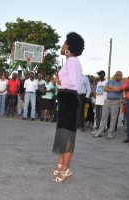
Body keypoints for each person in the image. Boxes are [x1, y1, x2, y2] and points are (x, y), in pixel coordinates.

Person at [52, 32, 84, 182]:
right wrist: (59, 81)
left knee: (68, 135)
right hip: (66, 99)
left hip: (69, 99)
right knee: (63, 134)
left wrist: (58, 82)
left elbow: (73, 82)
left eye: (64, 44)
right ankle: (60, 165)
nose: (62, 46)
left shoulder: (72, 61)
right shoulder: (71, 61)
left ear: (69, 48)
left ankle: (66, 169)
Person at [94, 71, 123, 139]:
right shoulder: (110, 81)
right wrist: (114, 89)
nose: (116, 76)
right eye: (116, 75)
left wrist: (111, 88)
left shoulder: (122, 83)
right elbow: (105, 88)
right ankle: (100, 132)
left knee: (113, 118)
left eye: (118, 75)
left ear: (121, 76)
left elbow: (119, 90)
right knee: (103, 117)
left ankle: (110, 133)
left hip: (116, 101)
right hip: (107, 100)